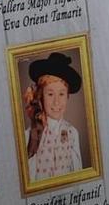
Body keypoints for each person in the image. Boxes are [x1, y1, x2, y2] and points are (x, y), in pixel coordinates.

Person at [23, 50, 85, 182]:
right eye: (50, 94)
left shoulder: (72, 133)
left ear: (67, 96)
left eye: (61, 94)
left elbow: (78, 177)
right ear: (40, 96)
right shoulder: (29, 136)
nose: (57, 102)